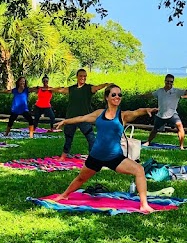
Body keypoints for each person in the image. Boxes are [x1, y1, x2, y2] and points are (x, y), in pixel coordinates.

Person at [52, 84, 158, 213]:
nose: (117, 97)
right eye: (113, 94)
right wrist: (65, 121)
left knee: (139, 169)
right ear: (106, 97)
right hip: (96, 156)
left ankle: (144, 205)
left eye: (119, 95)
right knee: (81, 178)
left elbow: (136, 112)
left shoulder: (123, 115)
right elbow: (82, 118)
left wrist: (147, 110)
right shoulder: (99, 113)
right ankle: (64, 195)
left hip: (115, 157)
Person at [57, 69, 108, 158]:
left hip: (85, 118)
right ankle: (63, 156)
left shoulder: (88, 88)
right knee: (68, 139)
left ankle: (93, 157)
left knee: (91, 138)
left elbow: (97, 87)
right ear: (77, 77)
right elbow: (60, 90)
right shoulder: (72, 89)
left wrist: (107, 84)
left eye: (85, 76)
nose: (83, 78)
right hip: (71, 118)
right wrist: (49, 89)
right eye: (81, 76)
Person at [146, 74, 187, 149]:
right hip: (161, 114)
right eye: (167, 81)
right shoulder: (159, 91)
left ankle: (181, 146)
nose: (169, 83)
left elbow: (186, 92)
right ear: (165, 81)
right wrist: (141, 95)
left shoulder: (176, 91)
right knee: (155, 129)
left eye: (171, 82)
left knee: (180, 127)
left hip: (172, 114)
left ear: (173, 82)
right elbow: (150, 95)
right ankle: (148, 142)